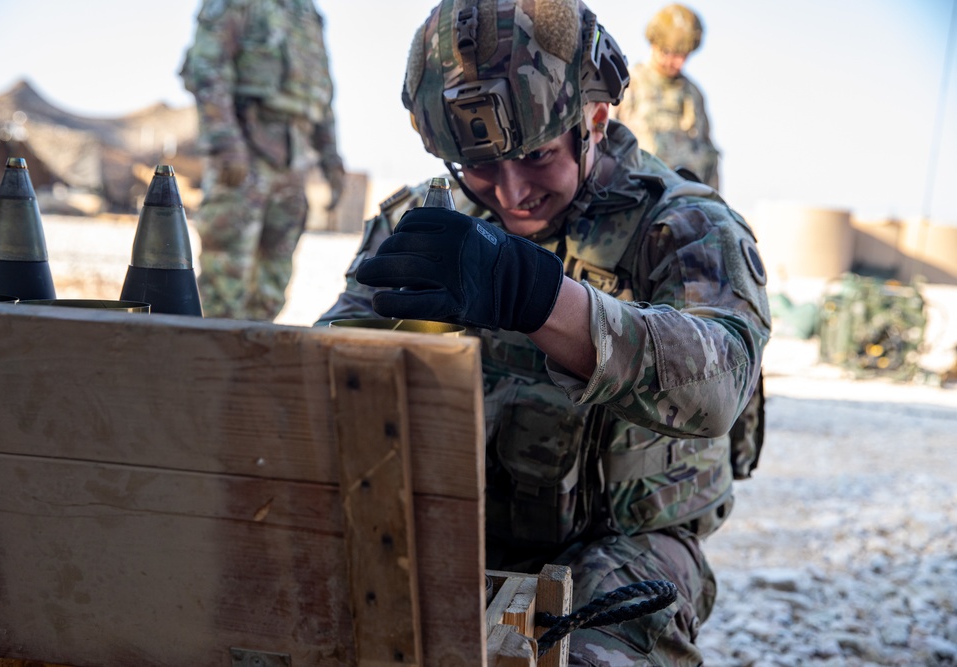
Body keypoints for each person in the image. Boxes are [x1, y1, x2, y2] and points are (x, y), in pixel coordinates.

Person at [317, 0, 770, 663]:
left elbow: (720, 382)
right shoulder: (430, 219)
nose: (509, 192)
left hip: (622, 543)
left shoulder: (684, 226)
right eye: (478, 166)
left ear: (594, 117)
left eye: (535, 157)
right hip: (448, 528)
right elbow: (326, 368)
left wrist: (537, 298)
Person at [181, 0, 345, 320]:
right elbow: (206, 69)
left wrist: (331, 160)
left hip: (294, 158)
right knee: (225, 278)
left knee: (273, 281)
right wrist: (227, 144)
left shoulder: (307, 12)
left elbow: (321, 94)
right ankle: (215, 358)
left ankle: (255, 356)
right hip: (246, 149)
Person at [614, 4, 721, 190]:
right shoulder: (629, 84)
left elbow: (709, 156)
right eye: (670, 53)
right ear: (655, 45)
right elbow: (603, 142)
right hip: (637, 197)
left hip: (685, 201)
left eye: (684, 55)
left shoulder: (693, 94)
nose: (678, 62)